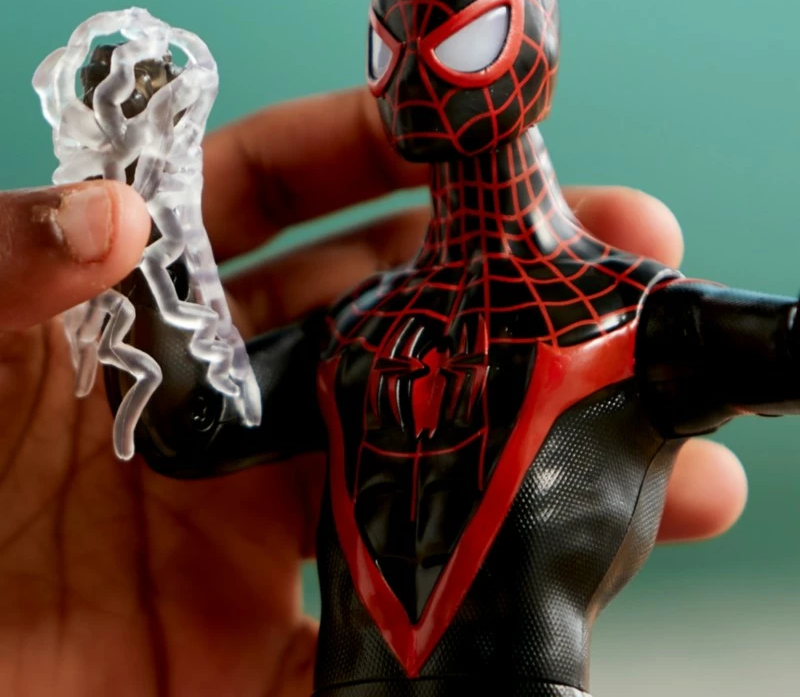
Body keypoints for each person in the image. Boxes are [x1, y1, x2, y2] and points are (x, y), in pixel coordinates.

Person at [0, 86, 746, 695]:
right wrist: (147, 186)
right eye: (397, 48)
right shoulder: (359, 326)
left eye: (462, 40)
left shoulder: (624, 310)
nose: (424, 72)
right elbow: (195, 424)